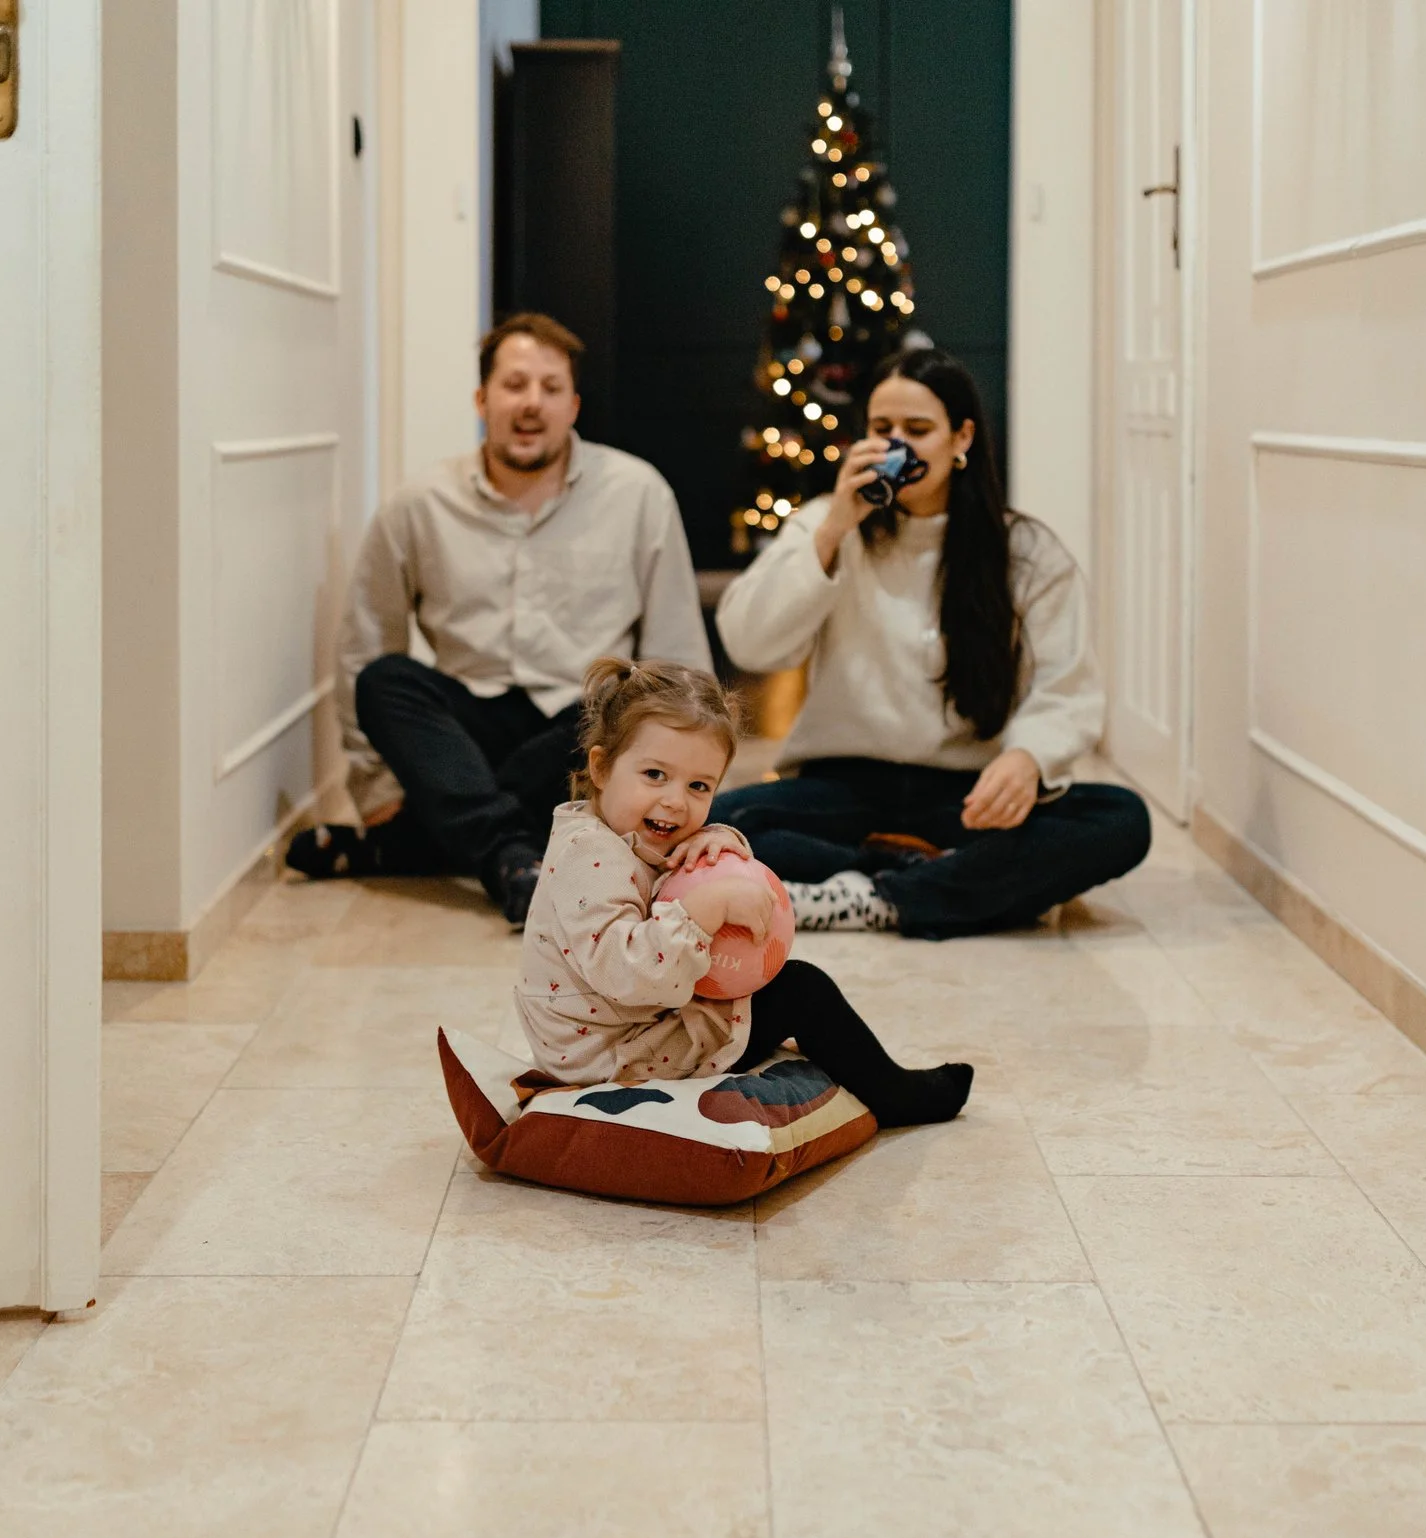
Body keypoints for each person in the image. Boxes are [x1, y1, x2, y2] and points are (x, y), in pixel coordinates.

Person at [713, 346, 1152, 938]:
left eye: (917, 430)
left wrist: (1026, 760)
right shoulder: (827, 522)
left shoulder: (1024, 551)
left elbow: (1066, 687)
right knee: (721, 828)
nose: (898, 445)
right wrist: (834, 528)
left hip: (964, 795)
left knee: (1121, 820)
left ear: (960, 437)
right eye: (881, 429)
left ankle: (875, 895)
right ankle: (954, 885)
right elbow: (750, 643)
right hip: (844, 786)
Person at [287, 312, 712, 923]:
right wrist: (376, 788)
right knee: (386, 679)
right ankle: (513, 853)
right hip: (466, 737)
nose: (531, 404)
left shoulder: (639, 493)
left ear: (574, 405)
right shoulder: (418, 505)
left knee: (618, 697)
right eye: (514, 386)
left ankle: (433, 842)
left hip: (579, 737)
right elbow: (363, 644)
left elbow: (675, 656)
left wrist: (671, 782)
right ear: (483, 400)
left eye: (550, 388)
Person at [517, 658, 972, 1128]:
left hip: (629, 1027)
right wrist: (702, 909)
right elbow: (624, 974)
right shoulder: (590, 857)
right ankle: (893, 1093)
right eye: (655, 775)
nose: (675, 800)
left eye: (698, 786)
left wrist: (718, 841)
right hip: (612, 1056)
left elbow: (682, 867)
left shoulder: (621, 831)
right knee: (802, 990)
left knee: (780, 982)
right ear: (602, 767)